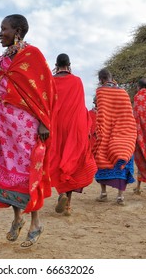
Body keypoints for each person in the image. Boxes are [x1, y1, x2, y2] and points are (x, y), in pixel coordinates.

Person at [0, 14, 56, 248]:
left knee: (28, 171)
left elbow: (46, 89)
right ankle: (17, 218)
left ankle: (36, 223)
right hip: (5, 127)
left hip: (26, 125)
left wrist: (44, 122)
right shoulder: (4, 58)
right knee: (8, 169)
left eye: (3, 28)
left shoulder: (32, 55)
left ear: (16, 31)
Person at [50, 53, 97, 216]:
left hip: (55, 124)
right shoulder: (77, 81)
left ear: (56, 65)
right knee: (72, 160)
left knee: (55, 158)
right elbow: (80, 107)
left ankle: (61, 193)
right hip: (73, 126)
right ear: (69, 65)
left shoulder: (50, 80)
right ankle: (68, 204)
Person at [93, 68, 137, 205]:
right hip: (125, 132)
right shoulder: (123, 92)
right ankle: (120, 196)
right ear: (111, 78)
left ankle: (103, 193)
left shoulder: (100, 92)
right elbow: (128, 114)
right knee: (122, 161)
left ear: (101, 80)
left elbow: (101, 116)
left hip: (107, 133)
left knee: (102, 159)